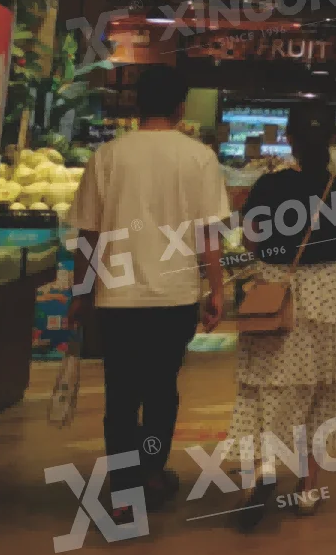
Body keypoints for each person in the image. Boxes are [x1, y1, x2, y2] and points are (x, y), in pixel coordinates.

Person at [68, 65, 228, 522]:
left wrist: (81, 292)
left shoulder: (108, 156)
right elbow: (208, 235)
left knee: (120, 395)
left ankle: (123, 491)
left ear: (137, 104)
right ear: (181, 106)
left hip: (116, 298)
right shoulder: (199, 158)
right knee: (161, 393)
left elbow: (88, 233)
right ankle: (153, 472)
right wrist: (216, 290)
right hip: (174, 297)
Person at [230, 100, 336, 529]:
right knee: (321, 392)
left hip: (277, 293)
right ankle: (308, 488)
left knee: (263, 386)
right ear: (332, 140)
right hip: (327, 294)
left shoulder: (268, 186)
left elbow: (252, 243)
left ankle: (265, 468)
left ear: (289, 139)